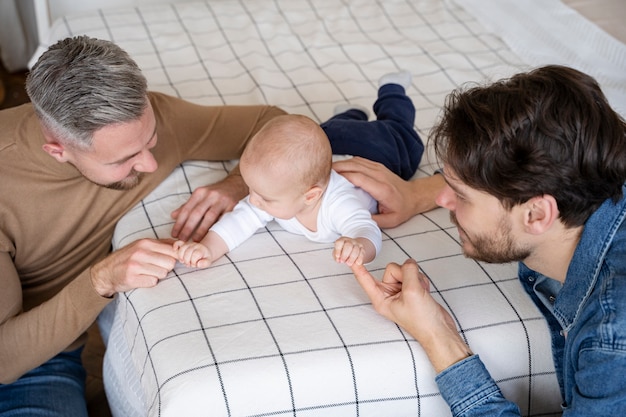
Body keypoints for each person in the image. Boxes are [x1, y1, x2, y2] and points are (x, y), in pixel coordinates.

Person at [0, 35, 286, 415]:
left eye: (150, 140)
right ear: (58, 150)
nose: (150, 163)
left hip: (45, 363)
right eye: (125, 159)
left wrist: (234, 185)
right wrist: (101, 280)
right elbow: (5, 359)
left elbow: (274, 123)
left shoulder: (153, 121)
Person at [349, 65, 626, 415]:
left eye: (461, 196)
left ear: (537, 215)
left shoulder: (612, 340)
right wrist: (415, 192)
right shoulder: (603, 162)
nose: (443, 201)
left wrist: (438, 337)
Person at [175, 114, 382, 268]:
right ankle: (351, 114)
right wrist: (208, 248)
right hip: (334, 150)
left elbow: (366, 230)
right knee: (336, 128)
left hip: (376, 153)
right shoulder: (276, 191)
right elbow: (239, 221)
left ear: (311, 196)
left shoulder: (338, 204)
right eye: (251, 189)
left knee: (397, 136)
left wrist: (359, 246)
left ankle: (392, 93)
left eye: (264, 198)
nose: (253, 201)